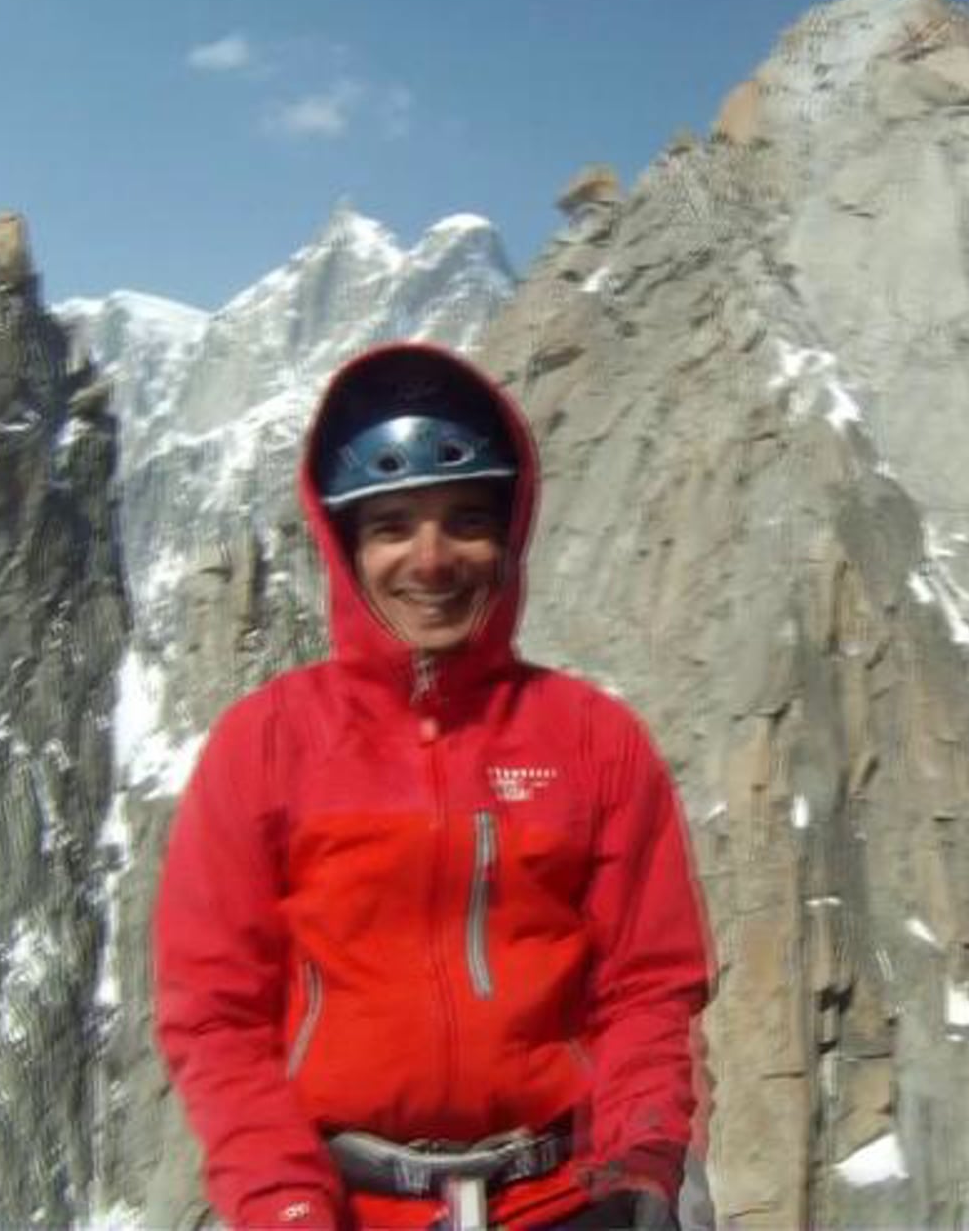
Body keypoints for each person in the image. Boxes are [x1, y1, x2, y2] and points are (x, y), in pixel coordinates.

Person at [152, 343, 714, 1230]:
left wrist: (643, 1158)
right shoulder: (263, 746)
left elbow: (647, 986)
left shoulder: (592, 740)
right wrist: (281, 1203)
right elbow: (214, 1014)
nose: (431, 558)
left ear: (507, 535)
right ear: (346, 546)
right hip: (345, 1207)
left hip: (568, 1199)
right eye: (391, 526)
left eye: (465, 520)